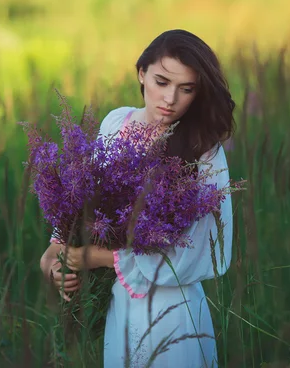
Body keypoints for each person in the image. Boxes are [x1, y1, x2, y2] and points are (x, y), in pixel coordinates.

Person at [39, 29, 235, 368]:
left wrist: (97, 257)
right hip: (122, 305)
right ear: (142, 73)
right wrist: (55, 254)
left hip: (173, 311)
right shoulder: (117, 123)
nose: (170, 98)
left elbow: (197, 250)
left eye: (186, 89)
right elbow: (85, 200)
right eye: (162, 81)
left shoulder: (202, 150)